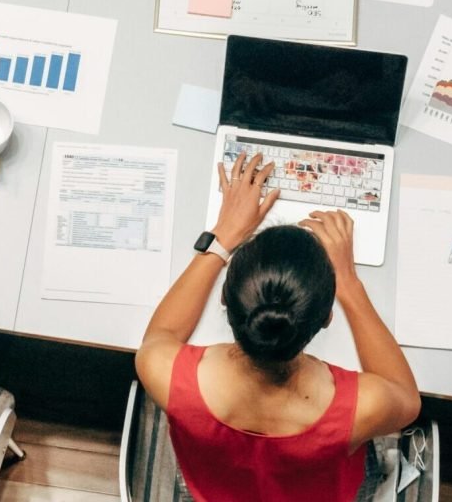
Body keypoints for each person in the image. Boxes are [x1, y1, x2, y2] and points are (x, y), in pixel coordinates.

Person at [135, 153, 422, 502]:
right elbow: (407, 400)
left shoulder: (165, 373)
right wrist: (347, 283)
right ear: (327, 317)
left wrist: (222, 237)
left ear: (225, 298)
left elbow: (160, 334)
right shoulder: (359, 408)